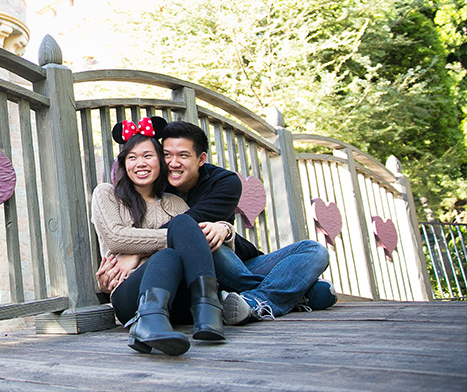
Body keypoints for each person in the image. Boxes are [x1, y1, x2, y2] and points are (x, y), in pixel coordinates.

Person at [160, 120, 337, 322]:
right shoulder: (153, 185)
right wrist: (131, 252)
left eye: (183, 155)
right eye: (167, 155)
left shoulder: (224, 182)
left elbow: (187, 227)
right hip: (197, 273)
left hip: (238, 264)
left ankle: (254, 301)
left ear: (201, 159)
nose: (173, 163)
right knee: (202, 244)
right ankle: (299, 293)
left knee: (314, 250)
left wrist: (224, 229)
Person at [91, 117, 234, 356]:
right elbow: (116, 238)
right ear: (124, 163)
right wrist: (176, 239)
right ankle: (148, 320)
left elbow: (197, 242)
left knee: (183, 225)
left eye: (148, 156)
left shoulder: (175, 203)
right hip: (130, 296)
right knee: (171, 250)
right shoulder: (107, 194)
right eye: (132, 157)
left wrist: (225, 228)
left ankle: (206, 308)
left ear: (160, 161)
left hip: (177, 302)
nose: (140, 163)